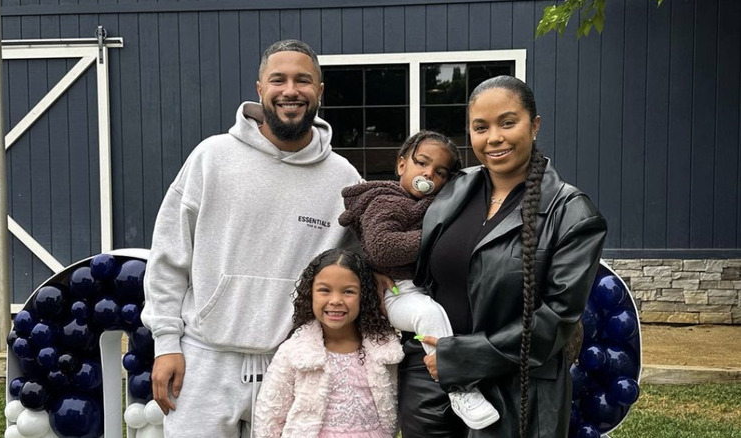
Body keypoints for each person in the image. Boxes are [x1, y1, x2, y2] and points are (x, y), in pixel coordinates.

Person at [141, 40, 362, 438]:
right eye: (278, 79)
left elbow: (358, 270)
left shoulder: (343, 178)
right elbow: (169, 258)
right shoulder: (211, 158)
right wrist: (165, 343)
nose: (290, 90)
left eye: (303, 80)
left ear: (320, 92)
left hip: (295, 361)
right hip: (204, 359)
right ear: (260, 89)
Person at [399, 75, 608, 437]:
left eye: (507, 123)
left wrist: (460, 358)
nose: (493, 137)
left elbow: (555, 320)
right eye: (481, 127)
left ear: (535, 125)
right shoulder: (452, 191)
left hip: (514, 394)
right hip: (429, 385)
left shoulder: (572, 214)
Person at [338, 130, 500, 430]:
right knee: (428, 313)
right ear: (402, 165)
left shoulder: (432, 205)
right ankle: (458, 388)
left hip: (419, 288)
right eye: (422, 163)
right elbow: (382, 248)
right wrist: (437, 236)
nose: (429, 174)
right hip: (396, 293)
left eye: (440, 172)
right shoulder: (385, 201)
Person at [253, 248, 403, 438]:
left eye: (348, 291)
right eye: (324, 290)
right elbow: (269, 415)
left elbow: (394, 404)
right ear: (310, 293)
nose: (336, 301)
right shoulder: (295, 351)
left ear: (364, 296)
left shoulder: (384, 350)